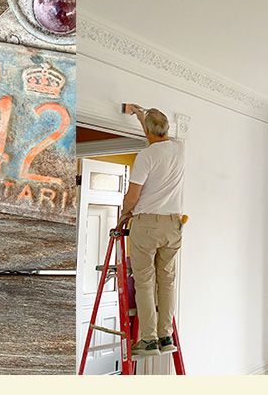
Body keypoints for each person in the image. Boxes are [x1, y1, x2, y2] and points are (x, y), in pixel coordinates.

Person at [116, 105, 185, 358]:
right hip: (174, 224)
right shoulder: (179, 149)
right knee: (166, 281)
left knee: (145, 281)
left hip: (147, 224)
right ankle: (166, 337)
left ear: (146, 130)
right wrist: (140, 114)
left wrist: (123, 218)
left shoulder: (146, 156)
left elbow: (133, 197)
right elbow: (156, 130)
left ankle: (148, 340)